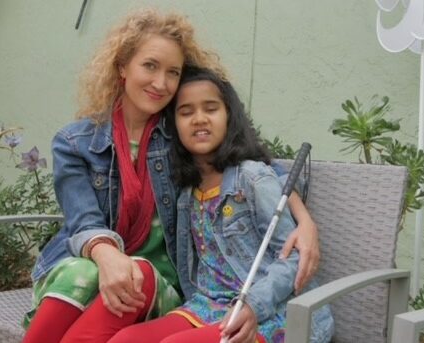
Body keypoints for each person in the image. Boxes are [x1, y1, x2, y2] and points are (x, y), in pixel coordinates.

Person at [22, 9, 321, 343]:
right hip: (92, 272)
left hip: (159, 285)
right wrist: (107, 256)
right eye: (149, 66)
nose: (161, 83)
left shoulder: (178, 134)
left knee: (139, 274)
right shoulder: (75, 143)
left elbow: (254, 162)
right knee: (86, 270)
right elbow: (83, 221)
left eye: (173, 72)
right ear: (122, 66)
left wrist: (304, 221)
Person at [106, 66, 334, 343]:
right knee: (125, 339)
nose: (199, 119)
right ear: (173, 125)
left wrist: (253, 304)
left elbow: (294, 256)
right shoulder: (186, 193)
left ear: (229, 116)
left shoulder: (252, 178)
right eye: (186, 112)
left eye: (211, 109)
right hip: (208, 306)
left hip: (270, 311)